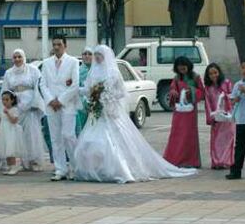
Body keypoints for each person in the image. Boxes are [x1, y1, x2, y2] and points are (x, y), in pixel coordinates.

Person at [73, 45, 197, 183]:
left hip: (110, 111)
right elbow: (88, 89)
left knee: (112, 141)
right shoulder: (93, 72)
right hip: (98, 112)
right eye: (95, 54)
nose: (97, 57)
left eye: (99, 55)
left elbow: (121, 92)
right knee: (91, 141)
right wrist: (81, 91)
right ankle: (94, 169)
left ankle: (118, 170)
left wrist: (107, 97)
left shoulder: (113, 72)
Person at [0, 49, 45, 171]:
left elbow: (39, 86)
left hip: (30, 105)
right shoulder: (9, 73)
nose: (17, 59)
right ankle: (23, 162)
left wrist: (35, 102)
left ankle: (34, 161)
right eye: (15, 57)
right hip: (15, 106)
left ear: (24, 57)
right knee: (17, 135)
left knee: (31, 134)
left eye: (19, 57)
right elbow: (5, 90)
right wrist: (3, 108)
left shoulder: (33, 70)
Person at [40, 34, 81, 181]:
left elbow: (75, 84)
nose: (56, 47)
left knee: (68, 135)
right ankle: (60, 169)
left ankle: (76, 167)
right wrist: (51, 100)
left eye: (59, 44)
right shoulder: (46, 63)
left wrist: (61, 100)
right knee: (55, 138)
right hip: (51, 106)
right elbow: (42, 84)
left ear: (65, 45)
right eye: (54, 44)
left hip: (67, 104)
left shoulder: (73, 62)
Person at [163, 56, 204, 168]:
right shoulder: (176, 78)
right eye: (179, 67)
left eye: (184, 67)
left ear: (188, 66)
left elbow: (201, 91)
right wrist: (173, 92)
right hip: (179, 112)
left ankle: (191, 161)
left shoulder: (195, 77)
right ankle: (175, 159)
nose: (182, 69)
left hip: (190, 111)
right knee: (176, 134)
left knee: (189, 135)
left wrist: (192, 92)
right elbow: (172, 89)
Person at [204, 63, 235, 169]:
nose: (213, 75)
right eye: (211, 74)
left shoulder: (227, 83)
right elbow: (207, 103)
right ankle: (217, 162)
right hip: (216, 119)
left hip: (227, 118)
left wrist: (230, 112)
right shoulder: (208, 88)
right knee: (216, 141)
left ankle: (226, 162)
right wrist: (211, 117)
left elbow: (232, 97)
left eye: (215, 72)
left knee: (228, 140)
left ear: (219, 72)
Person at [0, 90, 24, 175]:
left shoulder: (14, 109)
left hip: (11, 131)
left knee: (10, 149)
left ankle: (14, 166)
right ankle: (9, 166)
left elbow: (14, 121)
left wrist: (8, 113)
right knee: (5, 150)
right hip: (4, 131)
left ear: (12, 100)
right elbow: (1, 120)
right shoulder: (2, 110)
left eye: (7, 100)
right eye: (3, 100)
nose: (4, 102)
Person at [75, 47, 93, 135]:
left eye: (89, 54)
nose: (87, 56)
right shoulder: (77, 71)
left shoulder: (97, 70)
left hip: (95, 106)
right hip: (81, 107)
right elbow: (75, 89)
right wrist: (85, 102)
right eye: (84, 54)